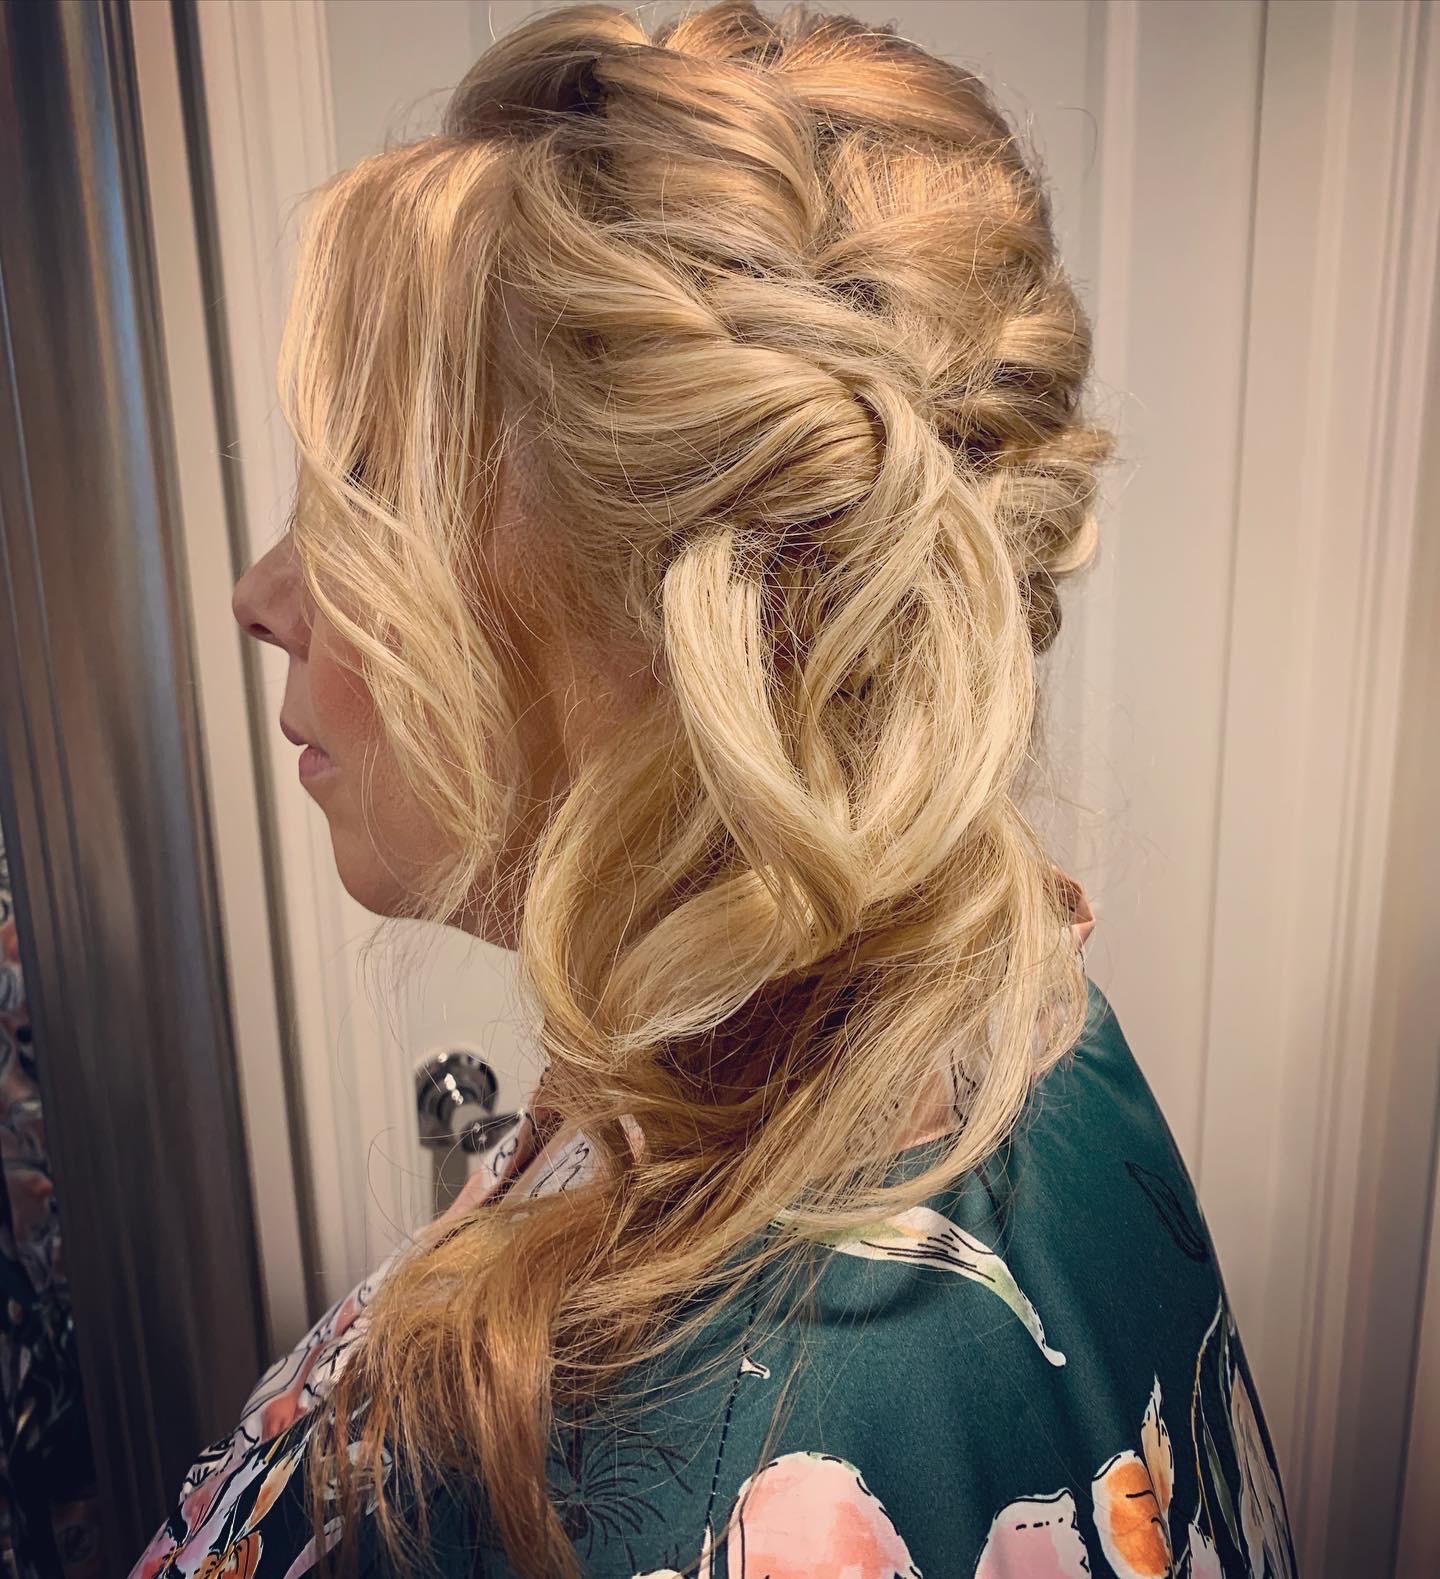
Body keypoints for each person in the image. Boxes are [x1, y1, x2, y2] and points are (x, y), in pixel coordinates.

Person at [133, 2, 1298, 1575]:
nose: (262, 595)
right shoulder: (1014, 1005)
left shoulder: (623, 1506)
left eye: (364, 495)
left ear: (683, 630)